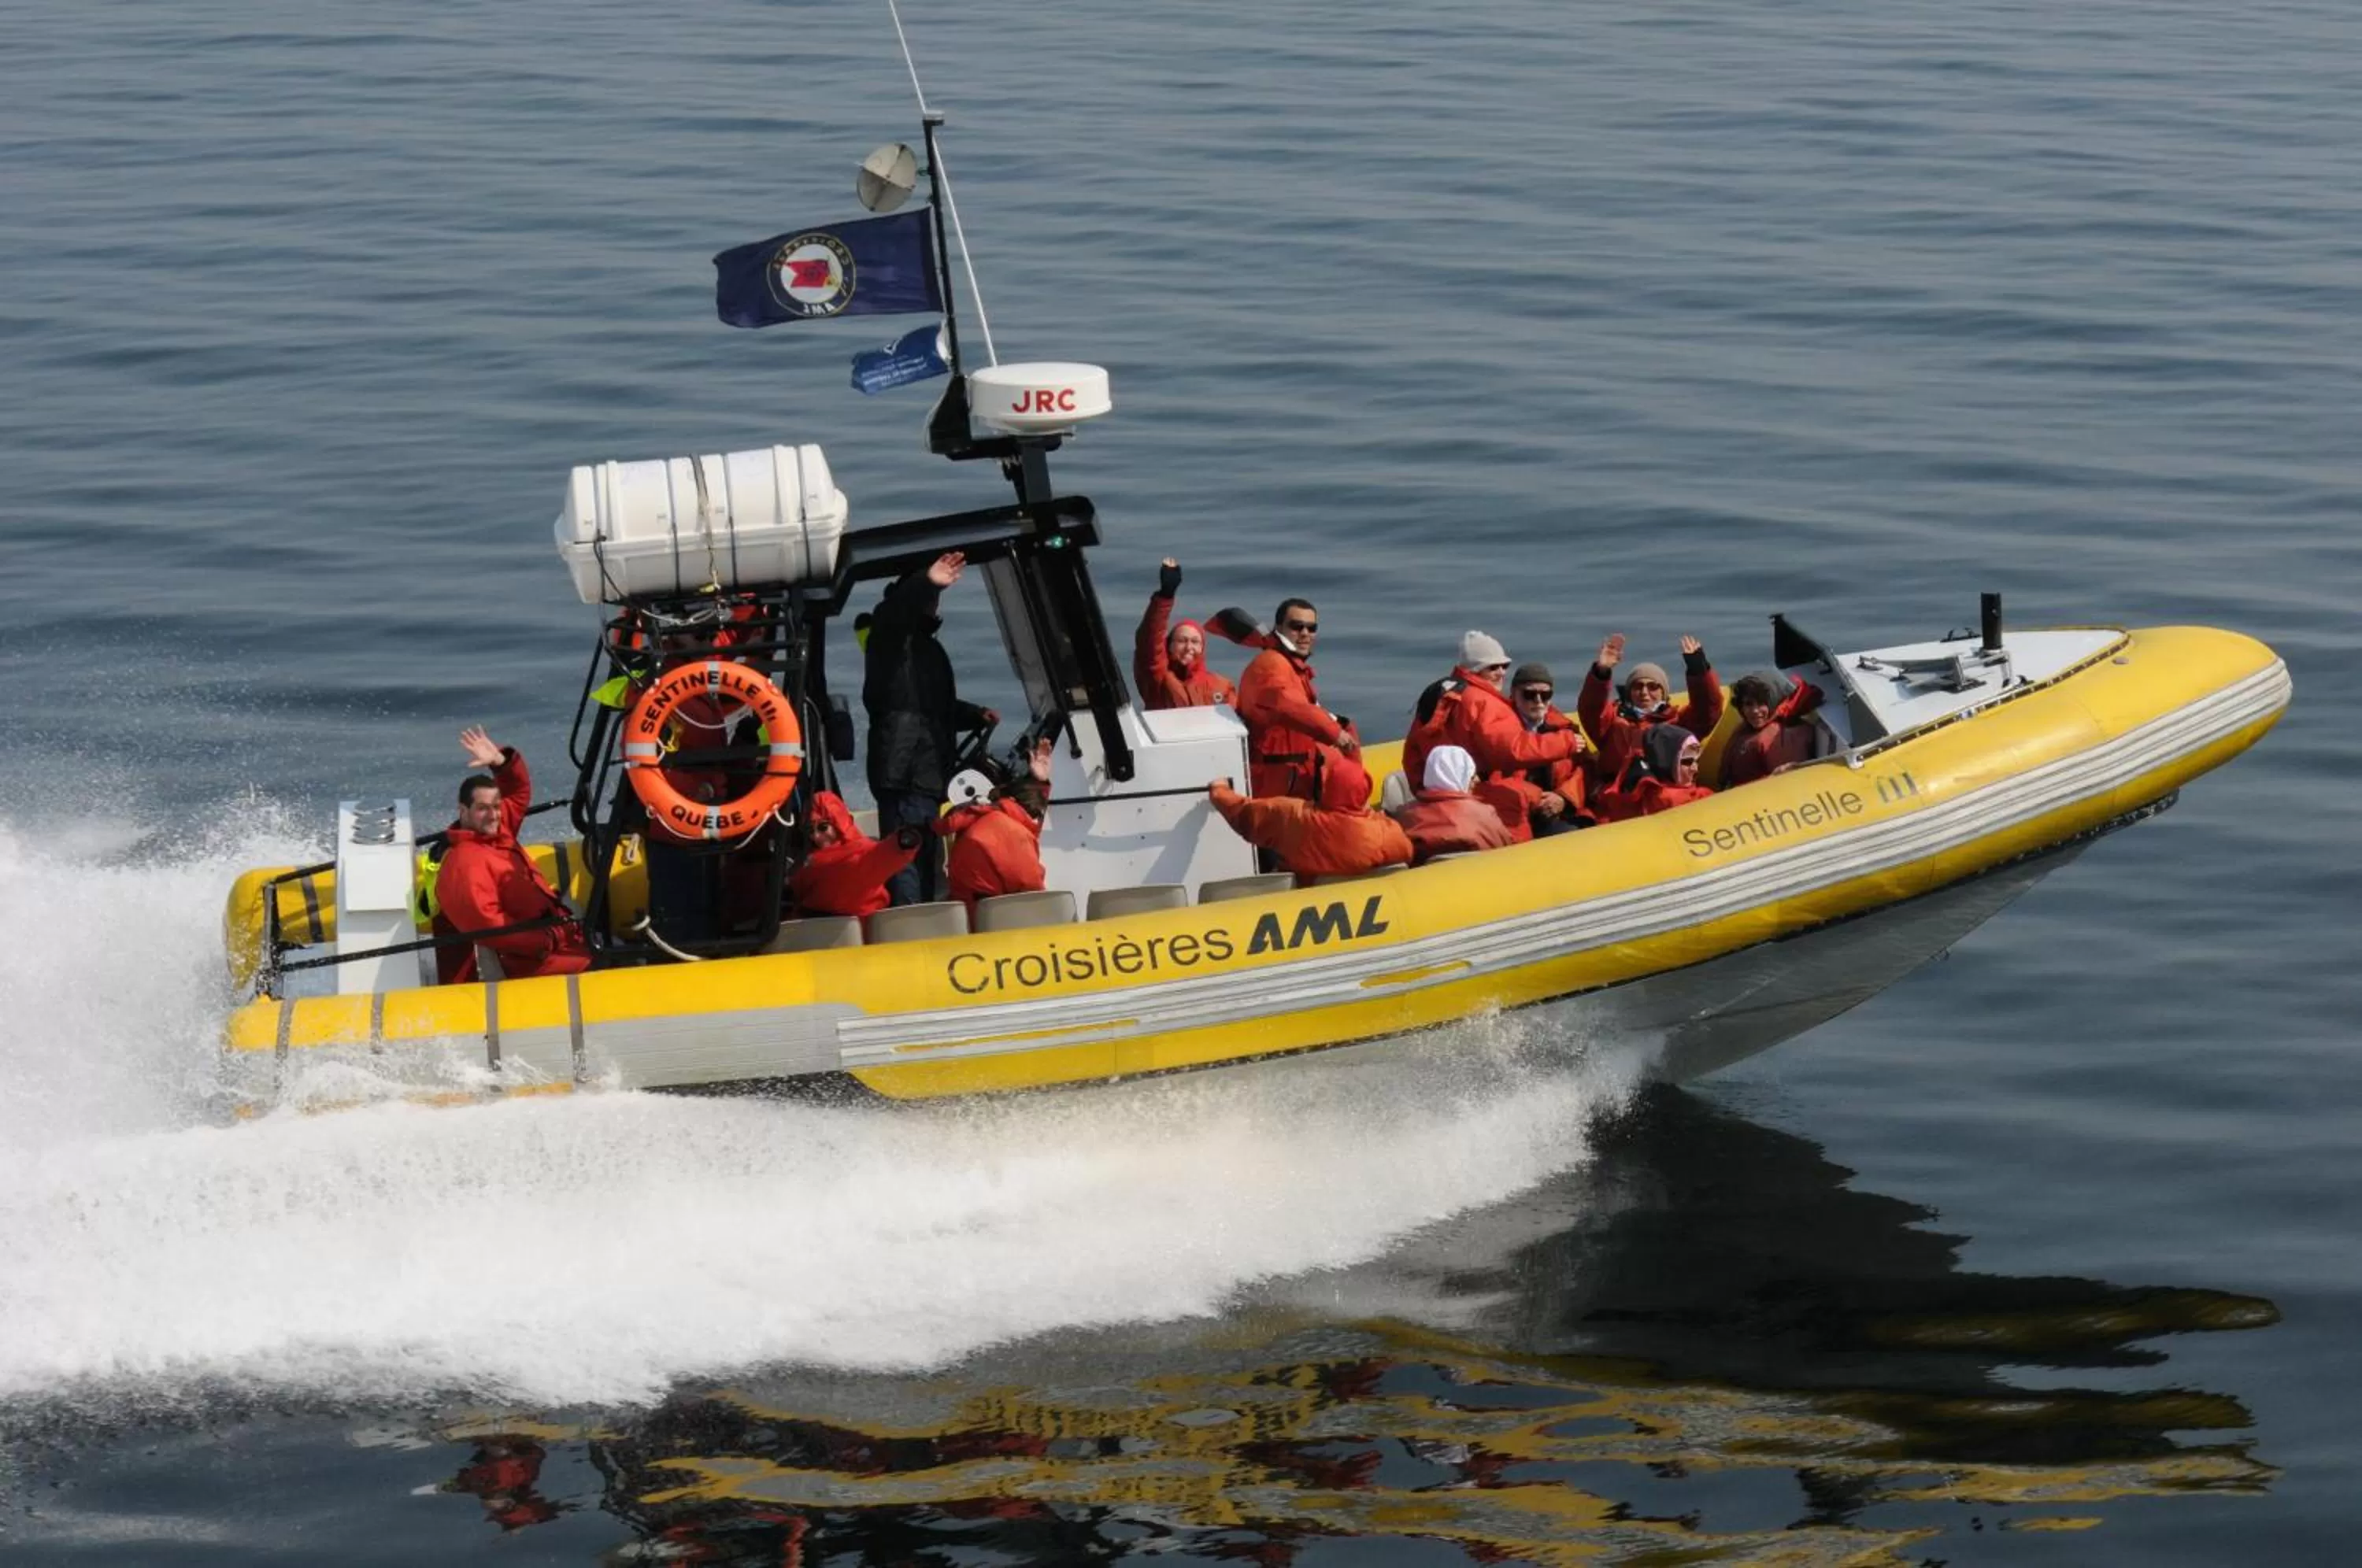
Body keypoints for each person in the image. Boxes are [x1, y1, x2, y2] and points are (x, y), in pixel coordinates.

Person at [864, 550, 998, 905]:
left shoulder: (924, 648)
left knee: (926, 858)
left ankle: (924, 918)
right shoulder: (890, 636)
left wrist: (974, 715)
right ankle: (909, 927)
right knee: (905, 858)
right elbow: (896, 614)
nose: (934, 604)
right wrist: (926, 582)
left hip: (924, 770)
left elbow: (932, 708)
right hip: (904, 768)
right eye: (930, 596)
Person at [432, 727, 592, 983]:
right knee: (610, 965)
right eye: (483, 808)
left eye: (496, 807)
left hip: (554, 936)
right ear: (463, 811)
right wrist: (548, 939)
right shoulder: (466, 864)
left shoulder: (495, 831)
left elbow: (518, 792)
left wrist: (500, 762)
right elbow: (492, 928)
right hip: (526, 962)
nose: (494, 814)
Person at [1401, 632, 1586, 798]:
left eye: (1504, 666)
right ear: (1475, 670)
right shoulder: (1482, 702)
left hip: (1437, 792)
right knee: (1521, 800)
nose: (1502, 673)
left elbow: (1413, 751)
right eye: (1493, 668)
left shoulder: (1441, 693)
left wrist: (1421, 789)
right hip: (1475, 795)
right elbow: (1511, 749)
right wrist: (1566, 742)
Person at [1227, 597, 1359, 803]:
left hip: (1293, 777)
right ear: (1279, 627)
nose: (1305, 634)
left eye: (1311, 628)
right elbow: (1289, 704)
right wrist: (1335, 733)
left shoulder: (1290, 665)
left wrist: (1339, 724)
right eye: (1297, 627)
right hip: (1276, 784)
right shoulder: (1271, 665)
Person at [1206, 753, 1412, 878]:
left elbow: (1244, 814)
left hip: (1303, 896)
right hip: (1360, 899)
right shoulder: (1384, 832)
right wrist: (1370, 816)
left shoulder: (1293, 815)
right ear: (1366, 791)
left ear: (1326, 786)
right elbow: (1408, 853)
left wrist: (1219, 791)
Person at [1577, 632, 1724, 787]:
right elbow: (1591, 709)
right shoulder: (1612, 724)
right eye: (1638, 686)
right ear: (1628, 692)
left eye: (1653, 687)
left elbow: (1708, 708)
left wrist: (1697, 667)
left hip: (1666, 797)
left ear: (1663, 694)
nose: (1644, 693)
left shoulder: (1679, 725)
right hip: (1620, 798)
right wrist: (1602, 671)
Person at [940, 736, 1056, 912]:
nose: (1040, 820)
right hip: (990, 923)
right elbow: (1031, 890)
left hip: (973, 916)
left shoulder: (989, 820)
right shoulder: (1008, 831)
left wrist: (1039, 782)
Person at [787, 791, 927, 919]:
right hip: (816, 928)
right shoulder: (806, 860)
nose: (816, 836)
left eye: (823, 827)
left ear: (839, 823)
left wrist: (904, 842)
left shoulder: (859, 853)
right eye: (810, 830)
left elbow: (881, 855)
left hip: (858, 932)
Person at [1496, 661, 1594, 836]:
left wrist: (1564, 798)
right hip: (1514, 815)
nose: (1539, 701)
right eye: (1529, 694)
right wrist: (1532, 799)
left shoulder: (1565, 729)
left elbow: (1585, 770)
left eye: (1546, 694)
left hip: (1558, 813)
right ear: (1513, 694)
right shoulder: (1499, 730)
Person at [1134, 557, 1235, 710]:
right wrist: (1165, 596)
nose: (1189, 647)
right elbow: (1150, 640)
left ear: (1203, 648)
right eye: (1182, 641)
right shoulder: (1158, 681)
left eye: (1195, 642)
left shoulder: (1221, 686)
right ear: (1169, 646)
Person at [1390, 745, 1517, 864]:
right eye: (1471, 775)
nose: (1477, 780)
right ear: (1459, 777)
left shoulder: (1404, 818)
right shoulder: (1485, 815)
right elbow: (1507, 851)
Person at [1721, 671, 1825, 788]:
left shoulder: (1781, 737)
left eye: (1761, 704)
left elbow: (1787, 786)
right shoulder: (1746, 728)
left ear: (1773, 703)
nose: (1755, 711)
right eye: (1749, 704)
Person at [1594, 725, 1714, 821]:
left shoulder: (1628, 793)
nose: (1695, 769)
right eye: (1687, 762)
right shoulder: (1670, 799)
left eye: (1696, 761)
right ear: (1667, 763)